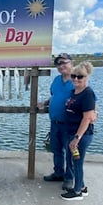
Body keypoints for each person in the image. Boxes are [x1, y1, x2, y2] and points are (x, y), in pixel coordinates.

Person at [61, 61, 96, 201]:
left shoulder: (88, 94)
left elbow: (87, 118)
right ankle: (81, 187)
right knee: (72, 161)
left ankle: (77, 192)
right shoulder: (74, 91)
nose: (76, 79)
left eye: (80, 76)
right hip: (70, 132)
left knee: (77, 162)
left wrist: (77, 138)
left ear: (86, 77)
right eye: (74, 75)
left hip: (80, 135)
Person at [43, 53, 74, 187]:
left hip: (70, 124)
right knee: (56, 150)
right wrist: (44, 103)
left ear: (71, 63)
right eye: (58, 64)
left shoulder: (78, 79)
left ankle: (69, 178)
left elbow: (89, 98)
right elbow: (55, 96)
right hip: (55, 122)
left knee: (70, 152)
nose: (61, 66)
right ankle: (58, 173)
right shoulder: (56, 80)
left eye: (64, 62)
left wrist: (93, 112)